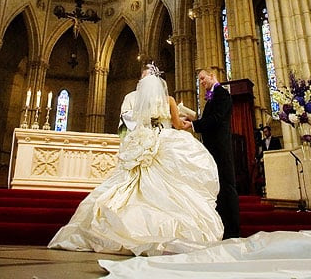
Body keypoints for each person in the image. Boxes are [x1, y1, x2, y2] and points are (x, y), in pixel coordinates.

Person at [48, 64, 224, 256]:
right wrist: (189, 122)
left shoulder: (139, 101)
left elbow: (136, 122)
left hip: (144, 142)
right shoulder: (169, 100)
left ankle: (125, 226)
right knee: (173, 185)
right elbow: (177, 125)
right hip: (165, 141)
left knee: (134, 184)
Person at [185, 68, 240, 239]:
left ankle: (233, 230)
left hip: (220, 148)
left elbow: (216, 119)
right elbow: (210, 120)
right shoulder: (211, 97)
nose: (201, 82)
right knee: (218, 187)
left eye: (203, 78)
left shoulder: (222, 94)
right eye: (199, 80)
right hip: (212, 147)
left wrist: (193, 125)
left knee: (226, 186)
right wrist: (194, 121)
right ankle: (223, 227)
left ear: (212, 76)